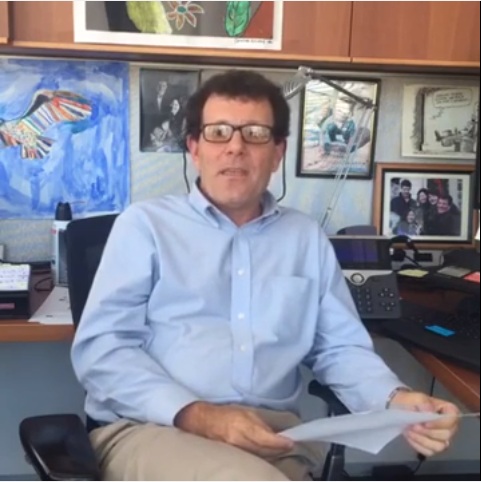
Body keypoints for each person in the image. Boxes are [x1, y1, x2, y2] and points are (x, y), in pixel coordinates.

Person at [71, 70, 460, 481]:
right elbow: (103, 351)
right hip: (153, 428)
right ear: (195, 148)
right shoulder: (145, 226)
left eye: (255, 133)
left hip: (273, 437)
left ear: (278, 153)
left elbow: (339, 349)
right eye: (218, 132)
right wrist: (199, 415)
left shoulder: (305, 238)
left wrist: (395, 399)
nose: (235, 147)